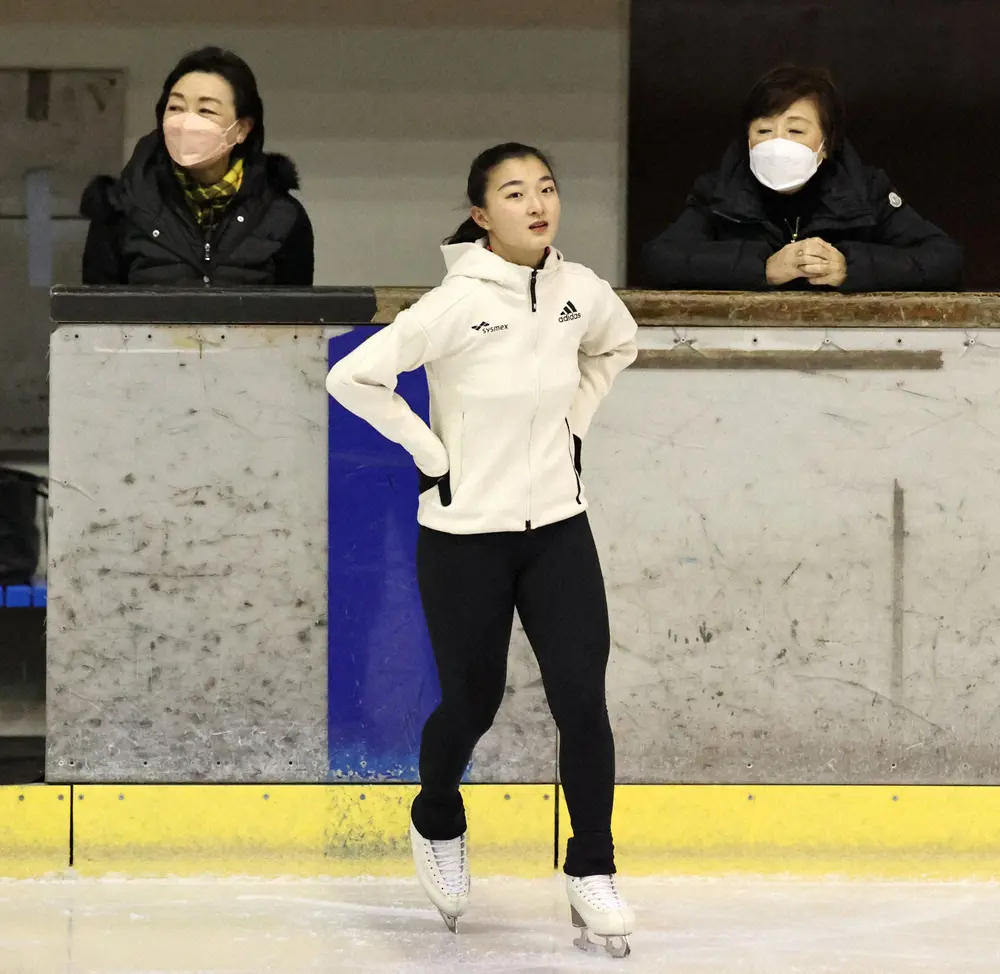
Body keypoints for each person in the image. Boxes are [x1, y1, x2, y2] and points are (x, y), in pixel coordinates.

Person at [325, 143, 638, 956]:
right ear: (480, 214)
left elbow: (617, 345)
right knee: (474, 701)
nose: (537, 203)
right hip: (466, 537)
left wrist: (575, 425)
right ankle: (436, 818)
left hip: (559, 530)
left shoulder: (581, 292)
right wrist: (433, 456)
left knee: (582, 700)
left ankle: (593, 867)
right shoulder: (454, 303)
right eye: (513, 192)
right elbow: (354, 377)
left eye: (546, 188)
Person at [642, 65, 963, 291]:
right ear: (747, 139)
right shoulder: (719, 190)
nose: (777, 143)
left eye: (795, 130)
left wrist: (849, 267)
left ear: (826, 144)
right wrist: (762, 268)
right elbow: (661, 258)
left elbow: (943, 258)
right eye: (764, 131)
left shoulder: (865, 190)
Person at [80, 46, 313, 286]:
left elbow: (296, 318)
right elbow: (96, 316)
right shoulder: (120, 209)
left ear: (242, 129)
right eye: (176, 108)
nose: (186, 122)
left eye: (206, 110)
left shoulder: (281, 216)